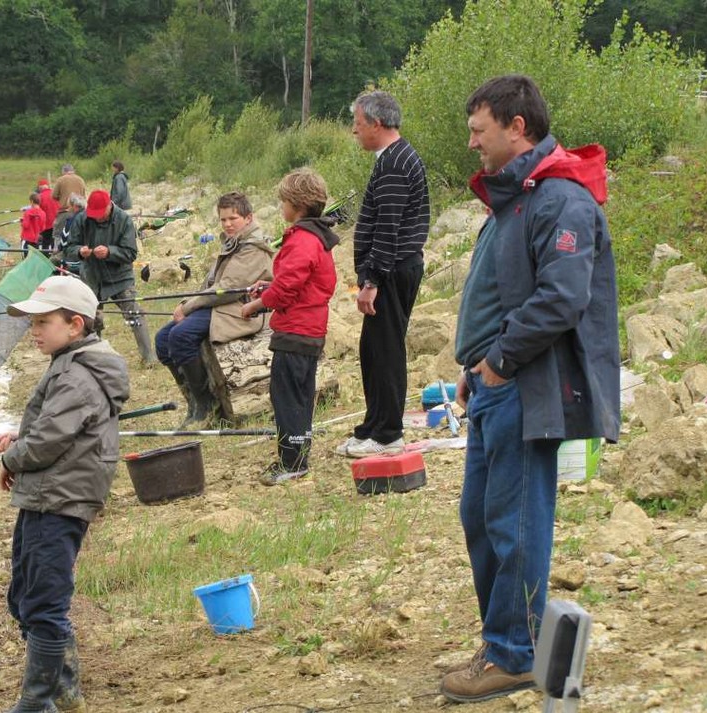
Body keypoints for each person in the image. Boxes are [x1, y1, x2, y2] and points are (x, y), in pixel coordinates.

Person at [441, 75, 620, 704]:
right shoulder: (513, 200)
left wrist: (498, 364)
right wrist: (473, 369)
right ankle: (515, 639)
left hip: (525, 385)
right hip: (493, 385)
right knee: (481, 519)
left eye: (478, 131)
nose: (471, 144)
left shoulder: (561, 199)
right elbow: (500, 295)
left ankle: (514, 655)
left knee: (513, 522)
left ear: (517, 127)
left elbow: (560, 300)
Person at [0, 275, 129, 713]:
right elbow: (52, 428)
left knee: (44, 602)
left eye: (42, 322)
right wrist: (21, 438)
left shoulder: (77, 375)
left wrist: (13, 456)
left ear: (75, 325)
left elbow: (50, 441)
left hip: (60, 497)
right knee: (25, 597)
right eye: (31, 322)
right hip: (47, 494)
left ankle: (37, 703)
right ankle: (65, 692)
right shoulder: (69, 364)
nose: (34, 331)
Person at [335, 90, 431, 459]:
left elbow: (388, 227)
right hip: (390, 269)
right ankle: (373, 427)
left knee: (386, 351)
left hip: (393, 271)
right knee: (372, 349)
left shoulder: (395, 162)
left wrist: (372, 280)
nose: (353, 131)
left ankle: (388, 433)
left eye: (357, 124)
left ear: (376, 123)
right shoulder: (390, 158)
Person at [242, 169, 339, 485]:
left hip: (296, 333)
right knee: (300, 394)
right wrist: (267, 284)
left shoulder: (303, 240)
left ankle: (292, 462)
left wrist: (256, 304)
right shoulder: (316, 238)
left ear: (296, 205)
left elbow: (286, 291)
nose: (281, 207)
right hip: (309, 331)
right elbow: (293, 282)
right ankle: (298, 455)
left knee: (286, 397)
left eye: (283, 201)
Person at [156, 192, 273, 426]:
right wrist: (187, 303)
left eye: (233, 218)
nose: (228, 224)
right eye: (223, 219)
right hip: (221, 304)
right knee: (162, 339)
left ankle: (208, 406)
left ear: (248, 218)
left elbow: (229, 288)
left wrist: (188, 308)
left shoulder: (253, 247)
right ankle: (194, 401)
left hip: (240, 309)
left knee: (180, 336)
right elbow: (212, 284)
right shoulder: (233, 241)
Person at [63, 189, 155, 364]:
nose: (96, 218)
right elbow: (68, 249)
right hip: (92, 277)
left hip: (120, 277)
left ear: (109, 206)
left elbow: (131, 253)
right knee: (91, 319)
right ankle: (93, 359)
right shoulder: (82, 219)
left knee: (134, 315)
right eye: (93, 214)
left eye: (100, 214)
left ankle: (149, 357)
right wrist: (80, 252)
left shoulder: (124, 220)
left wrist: (109, 252)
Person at [51, 164, 88, 247]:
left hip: (65, 211)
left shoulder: (61, 180)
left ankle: (58, 255)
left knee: (58, 234)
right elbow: (84, 196)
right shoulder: (80, 180)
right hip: (80, 212)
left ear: (63, 171)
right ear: (73, 170)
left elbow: (54, 195)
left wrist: (62, 198)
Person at [19, 192, 46, 257]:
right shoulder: (43, 213)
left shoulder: (28, 212)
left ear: (32, 201)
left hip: (26, 239)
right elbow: (42, 228)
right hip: (36, 240)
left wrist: (22, 222)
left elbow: (26, 225)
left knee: (25, 260)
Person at [36, 179, 60, 251]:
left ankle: (45, 258)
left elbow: (38, 212)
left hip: (46, 225)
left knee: (45, 243)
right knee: (54, 242)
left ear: (40, 187)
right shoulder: (56, 194)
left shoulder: (40, 197)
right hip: (57, 222)